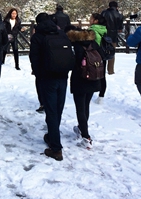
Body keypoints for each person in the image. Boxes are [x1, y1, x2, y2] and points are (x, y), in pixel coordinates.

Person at [29, 12, 73, 161]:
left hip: (47, 78)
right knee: (57, 109)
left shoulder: (38, 36)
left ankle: (56, 147)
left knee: (51, 110)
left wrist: (39, 75)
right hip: (63, 75)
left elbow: (34, 58)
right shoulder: (60, 33)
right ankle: (52, 136)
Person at [65, 25, 105, 150]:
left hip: (80, 79)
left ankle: (86, 136)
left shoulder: (76, 47)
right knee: (86, 105)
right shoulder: (93, 43)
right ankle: (82, 128)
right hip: (94, 78)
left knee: (80, 107)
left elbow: (71, 63)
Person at [88, 13, 108, 104]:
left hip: (94, 56)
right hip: (103, 54)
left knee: (92, 73)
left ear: (96, 21)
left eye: (91, 18)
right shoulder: (103, 29)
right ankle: (101, 96)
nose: (89, 19)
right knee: (102, 75)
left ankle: (89, 93)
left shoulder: (92, 30)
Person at [101, 1, 124, 75]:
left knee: (101, 52)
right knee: (112, 53)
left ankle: (101, 69)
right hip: (113, 36)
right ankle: (110, 70)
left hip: (103, 35)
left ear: (109, 6)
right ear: (117, 7)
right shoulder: (119, 15)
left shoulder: (104, 13)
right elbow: (120, 28)